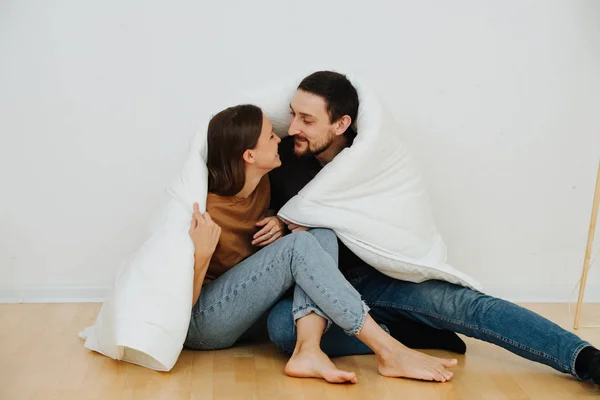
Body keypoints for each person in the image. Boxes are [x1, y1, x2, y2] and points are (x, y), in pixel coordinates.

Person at [266, 71, 600, 387]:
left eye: (307, 120)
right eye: (292, 114)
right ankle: (410, 335)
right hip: (318, 288)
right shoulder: (280, 158)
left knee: (469, 306)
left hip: (381, 280)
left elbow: (397, 219)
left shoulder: (373, 159)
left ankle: (585, 359)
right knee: (283, 329)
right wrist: (278, 225)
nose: (293, 127)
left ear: (341, 124)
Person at [184, 103, 459, 383]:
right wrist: (201, 257)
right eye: (270, 136)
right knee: (299, 245)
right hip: (204, 323)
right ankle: (388, 351)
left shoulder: (262, 185)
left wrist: (279, 223)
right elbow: (178, 308)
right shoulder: (206, 212)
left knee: (321, 234)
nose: (280, 138)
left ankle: (309, 350)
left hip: (245, 313)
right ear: (250, 155)